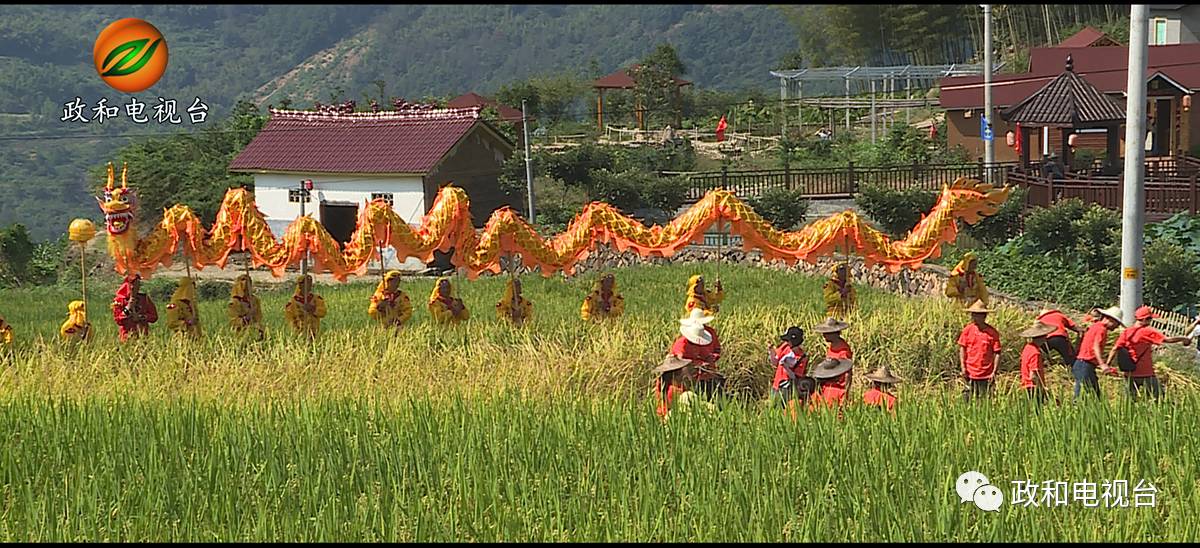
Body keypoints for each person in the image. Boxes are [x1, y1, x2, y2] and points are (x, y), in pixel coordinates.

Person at [1109, 305, 1192, 400]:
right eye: (1150, 319)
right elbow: (1167, 340)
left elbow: (1115, 348)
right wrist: (1183, 338)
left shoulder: (1126, 332)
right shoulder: (1146, 332)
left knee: (1129, 401)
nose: (1150, 321)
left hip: (1129, 372)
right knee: (1159, 399)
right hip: (1145, 373)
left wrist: (1107, 365)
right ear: (1145, 319)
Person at [671, 308, 723, 399]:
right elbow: (681, 362)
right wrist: (698, 364)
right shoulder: (682, 345)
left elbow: (716, 349)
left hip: (706, 374)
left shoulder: (707, 333)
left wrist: (711, 358)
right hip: (688, 379)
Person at [1073, 306, 1123, 399]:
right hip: (1084, 365)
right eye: (1117, 323)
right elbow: (1096, 347)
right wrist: (1102, 364)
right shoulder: (1101, 329)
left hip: (1083, 364)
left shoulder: (1095, 326)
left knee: (1095, 396)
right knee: (1081, 396)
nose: (1117, 327)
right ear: (1110, 319)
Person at [958, 299, 1001, 402]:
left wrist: (994, 371)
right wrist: (963, 367)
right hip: (970, 372)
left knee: (985, 400)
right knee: (967, 398)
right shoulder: (968, 330)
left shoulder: (992, 333)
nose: (975, 318)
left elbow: (997, 352)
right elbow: (962, 348)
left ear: (984, 316)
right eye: (974, 315)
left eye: (978, 315)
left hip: (986, 373)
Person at [770, 326, 812, 408]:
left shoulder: (802, 358)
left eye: (788, 340)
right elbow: (775, 362)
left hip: (787, 389)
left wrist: (785, 366)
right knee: (772, 410)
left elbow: (794, 377)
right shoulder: (785, 347)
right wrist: (771, 350)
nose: (787, 342)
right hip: (776, 386)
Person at [813, 317, 853, 398]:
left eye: (827, 333)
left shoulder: (843, 350)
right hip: (828, 385)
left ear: (835, 333)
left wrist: (846, 391)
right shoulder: (832, 345)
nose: (824, 335)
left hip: (838, 388)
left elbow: (847, 373)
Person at [1019, 321, 1056, 406]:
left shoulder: (1027, 348)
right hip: (1033, 387)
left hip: (1026, 385)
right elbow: (1034, 375)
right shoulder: (1035, 353)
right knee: (1037, 412)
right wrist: (1042, 387)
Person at [112, 274, 158, 342]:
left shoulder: (144, 299)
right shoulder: (119, 300)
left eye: (137, 285)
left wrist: (141, 317)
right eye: (133, 285)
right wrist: (128, 307)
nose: (135, 288)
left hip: (142, 336)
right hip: (126, 337)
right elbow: (118, 320)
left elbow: (154, 316)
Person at [654, 354, 695, 420]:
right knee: (687, 396)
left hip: (671, 414)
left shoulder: (664, 382)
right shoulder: (671, 389)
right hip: (668, 417)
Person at [227, 274, 264, 339]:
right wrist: (246, 318)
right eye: (243, 280)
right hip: (240, 333)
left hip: (254, 330)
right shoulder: (234, 303)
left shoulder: (255, 300)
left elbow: (258, 317)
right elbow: (233, 321)